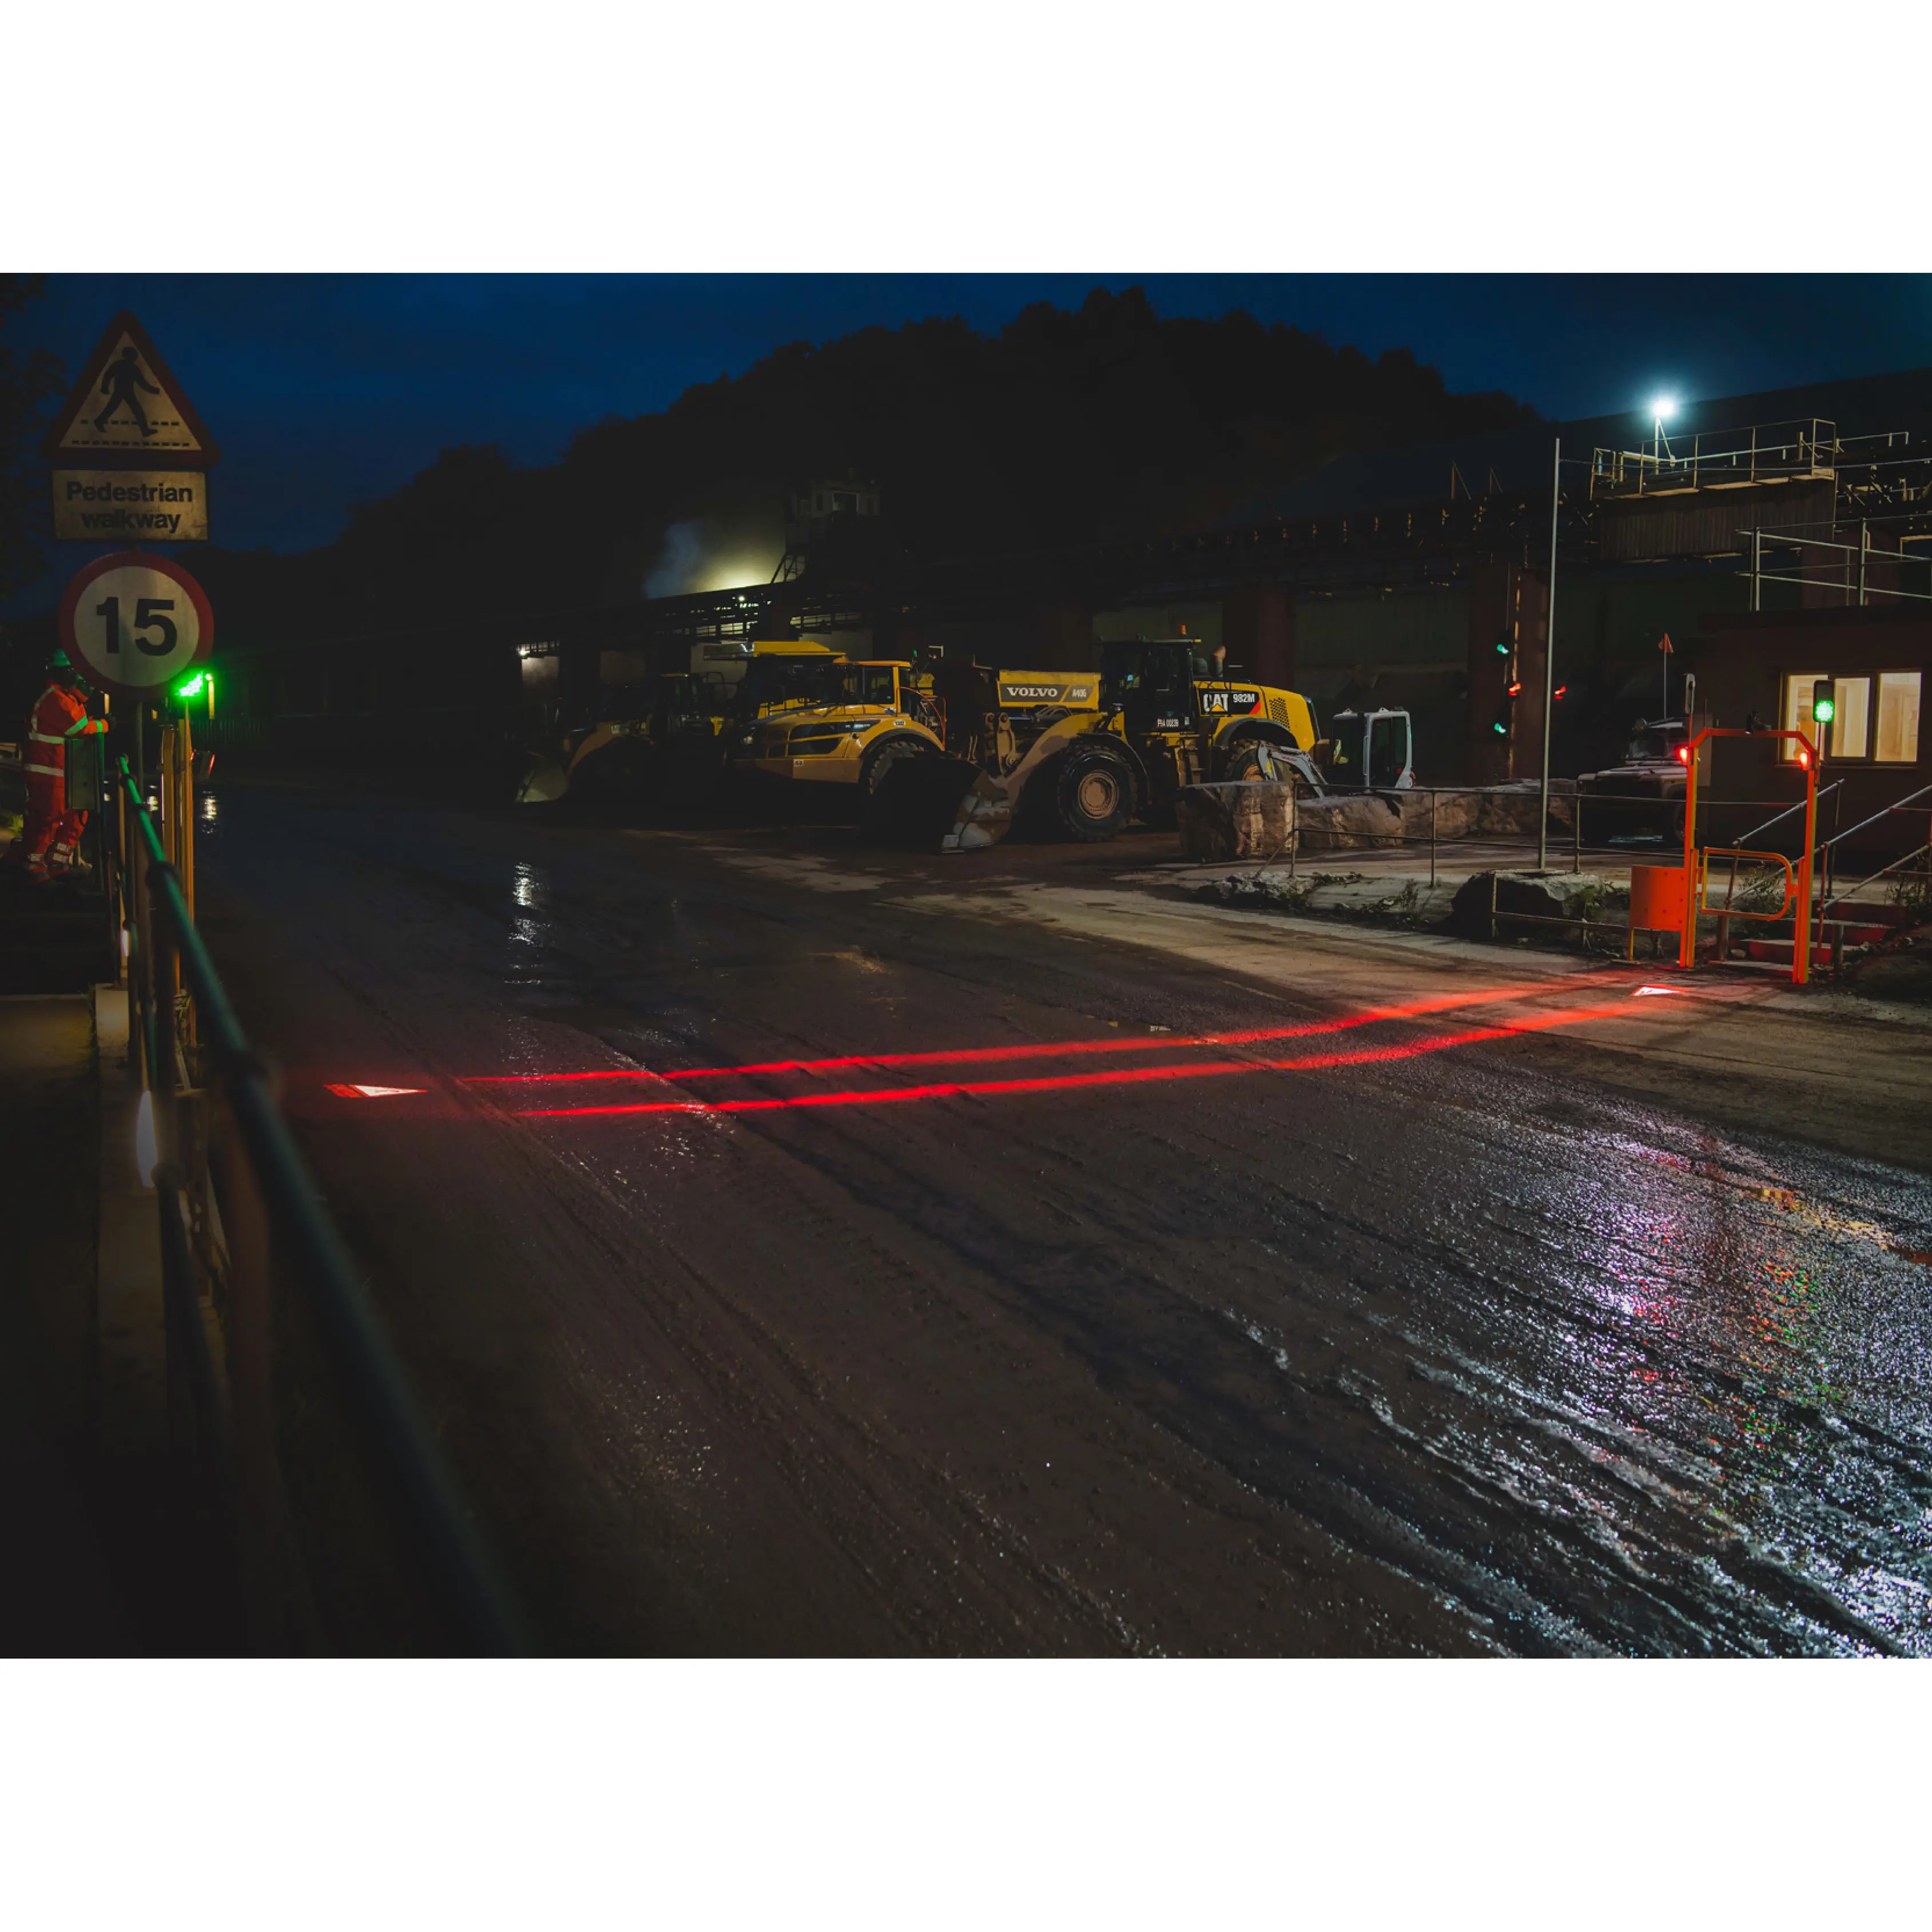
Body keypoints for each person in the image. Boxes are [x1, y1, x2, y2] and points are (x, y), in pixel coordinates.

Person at [11, 651, 102, 883]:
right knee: (47, 819)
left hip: (63, 773)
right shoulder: (54, 698)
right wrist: (105, 725)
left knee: (77, 816)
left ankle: (57, 861)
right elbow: (79, 729)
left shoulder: (67, 698)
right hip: (47, 772)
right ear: (66, 672)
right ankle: (34, 865)